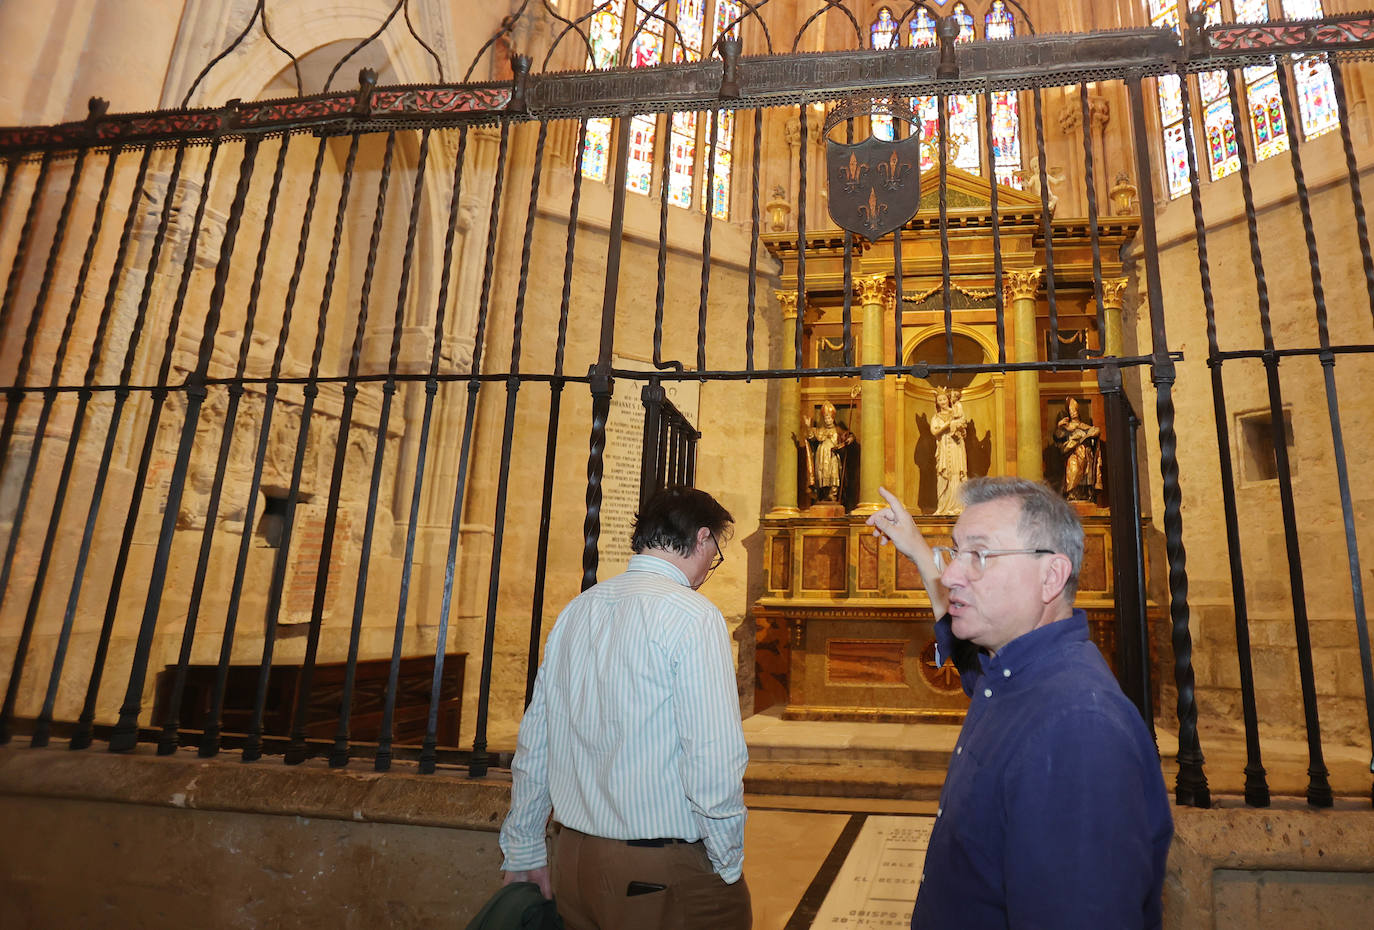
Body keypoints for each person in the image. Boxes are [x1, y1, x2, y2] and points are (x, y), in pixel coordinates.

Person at [865, 478, 1172, 929]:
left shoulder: (1078, 731)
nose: (950, 574)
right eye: (955, 552)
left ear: (1051, 576)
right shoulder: (1010, 672)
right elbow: (966, 659)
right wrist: (916, 549)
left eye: (980, 555)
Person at [498, 485, 750, 930]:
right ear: (704, 538)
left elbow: (537, 740)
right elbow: (713, 759)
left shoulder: (579, 610)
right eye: (716, 551)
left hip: (573, 860)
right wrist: (727, 859)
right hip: (657, 870)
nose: (711, 563)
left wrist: (524, 849)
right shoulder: (693, 615)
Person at [1055, 396, 1102, 502]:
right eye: (1071, 410)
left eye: (1075, 410)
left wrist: (1091, 434)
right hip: (1073, 455)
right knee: (1074, 471)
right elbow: (1058, 439)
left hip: (1085, 454)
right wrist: (1059, 427)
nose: (1074, 412)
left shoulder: (1084, 425)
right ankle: (1072, 494)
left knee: (1086, 475)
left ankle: (1085, 495)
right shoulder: (1066, 426)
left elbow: (1095, 431)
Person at [929, 388, 967, 515]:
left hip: (956, 446)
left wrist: (960, 429)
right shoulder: (936, 417)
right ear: (937, 402)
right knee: (944, 475)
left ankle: (957, 506)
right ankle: (943, 507)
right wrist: (947, 425)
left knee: (956, 473)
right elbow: (934, 432)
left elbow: (964, 431)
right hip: (944, 448)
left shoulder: (957, 412)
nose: (942, 401)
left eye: (944, 399)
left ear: (948, 400)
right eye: (939, 400)